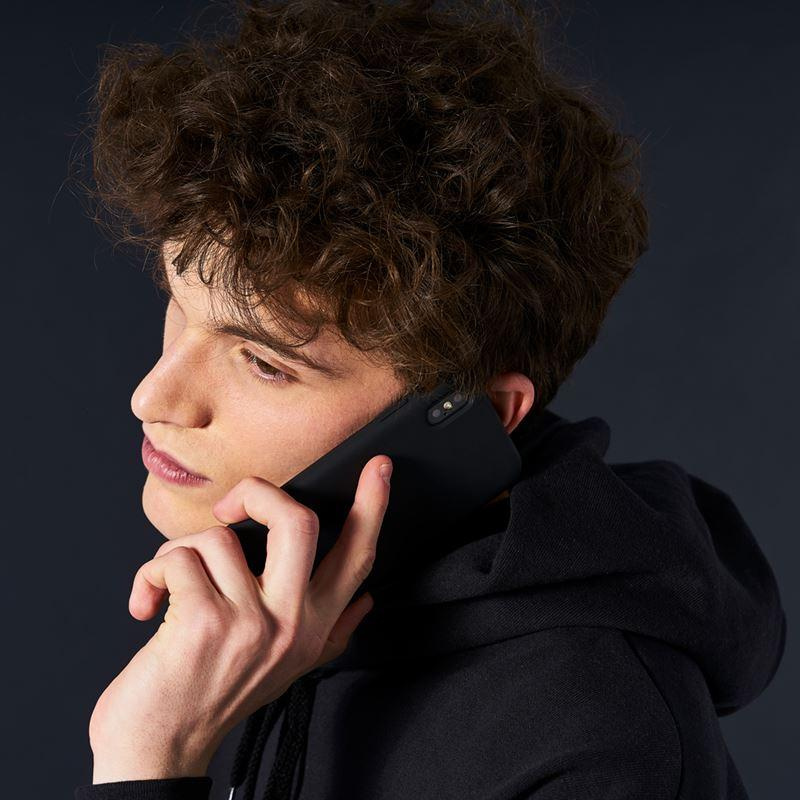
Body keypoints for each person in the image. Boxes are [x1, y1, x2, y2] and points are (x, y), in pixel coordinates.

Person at [73, 1, 787, 798]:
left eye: (266, 363)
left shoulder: (603, 745)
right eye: (179, 306)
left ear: (478, 410)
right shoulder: (270, 623)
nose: (153, 396)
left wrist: (151, 758)